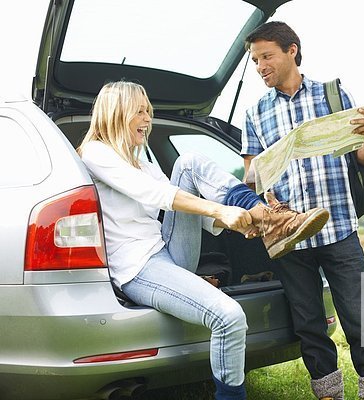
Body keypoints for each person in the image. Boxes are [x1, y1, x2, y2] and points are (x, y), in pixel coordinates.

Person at [77, 80, 329, 400]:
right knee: (229, 317)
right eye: (139, 111)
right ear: (116, 113)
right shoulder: (96, 153)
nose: (147, 119)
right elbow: (160, 195)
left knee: (190, 162)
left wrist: (236, 223)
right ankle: (270, 220)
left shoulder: (142, 162)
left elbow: (179, 205)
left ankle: (266, 218)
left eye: (149, 111)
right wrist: (221, 211)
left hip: (164, 250)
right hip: (137, 267)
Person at [241, 22, 364, 400]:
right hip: (290, 236)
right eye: (255, 59)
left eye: (267, 56)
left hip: (339, 227)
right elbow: (251, 175)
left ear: (292, 51)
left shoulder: (333, 95)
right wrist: (267, 198)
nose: (260, 66)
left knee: (363, 320)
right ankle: (328, 393)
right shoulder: (255, 113)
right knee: (308, 323)